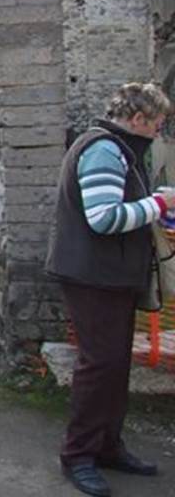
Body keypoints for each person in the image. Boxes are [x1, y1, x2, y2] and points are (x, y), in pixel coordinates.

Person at [46, 82, 175, 497]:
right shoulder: (104, 150)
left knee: (114, 366)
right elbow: (102, 218)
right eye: (157, 123)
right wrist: (160, 205)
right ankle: (78, 455)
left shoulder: (119, 149)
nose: (159, 131)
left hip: (109, 277)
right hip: (92, 278)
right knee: (99, 366)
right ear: (138, 119)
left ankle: (107, 446)